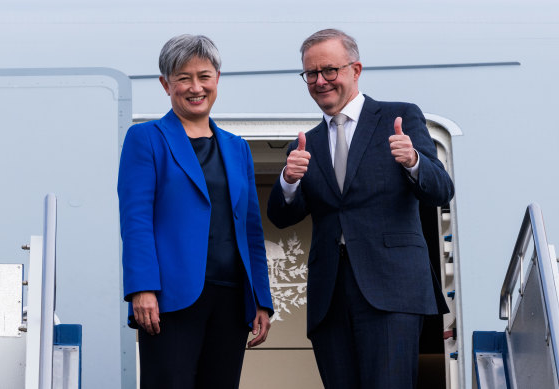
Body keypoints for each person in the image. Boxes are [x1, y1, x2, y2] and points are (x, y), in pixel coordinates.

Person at [267, 29, 454, 389]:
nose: (320, 81)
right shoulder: (306, 144)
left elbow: (442, 190)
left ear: (356, 69)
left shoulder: (399, 117)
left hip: (392, 290)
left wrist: (414, 160)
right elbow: (281, 215)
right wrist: (288, 181)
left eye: (329, 71)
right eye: (311, 74)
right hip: (329, 297)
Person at [118, 34, 273, 388]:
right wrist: (142, 288)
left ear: (217, 78)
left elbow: (251, 230)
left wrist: (261, 299)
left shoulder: (238, 149)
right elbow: (136, 220)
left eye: (204, 76)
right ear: (165, 84)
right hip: (170, 299)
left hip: (232, 298)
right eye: (183, 78)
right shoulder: (146, 138)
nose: (195, 87)